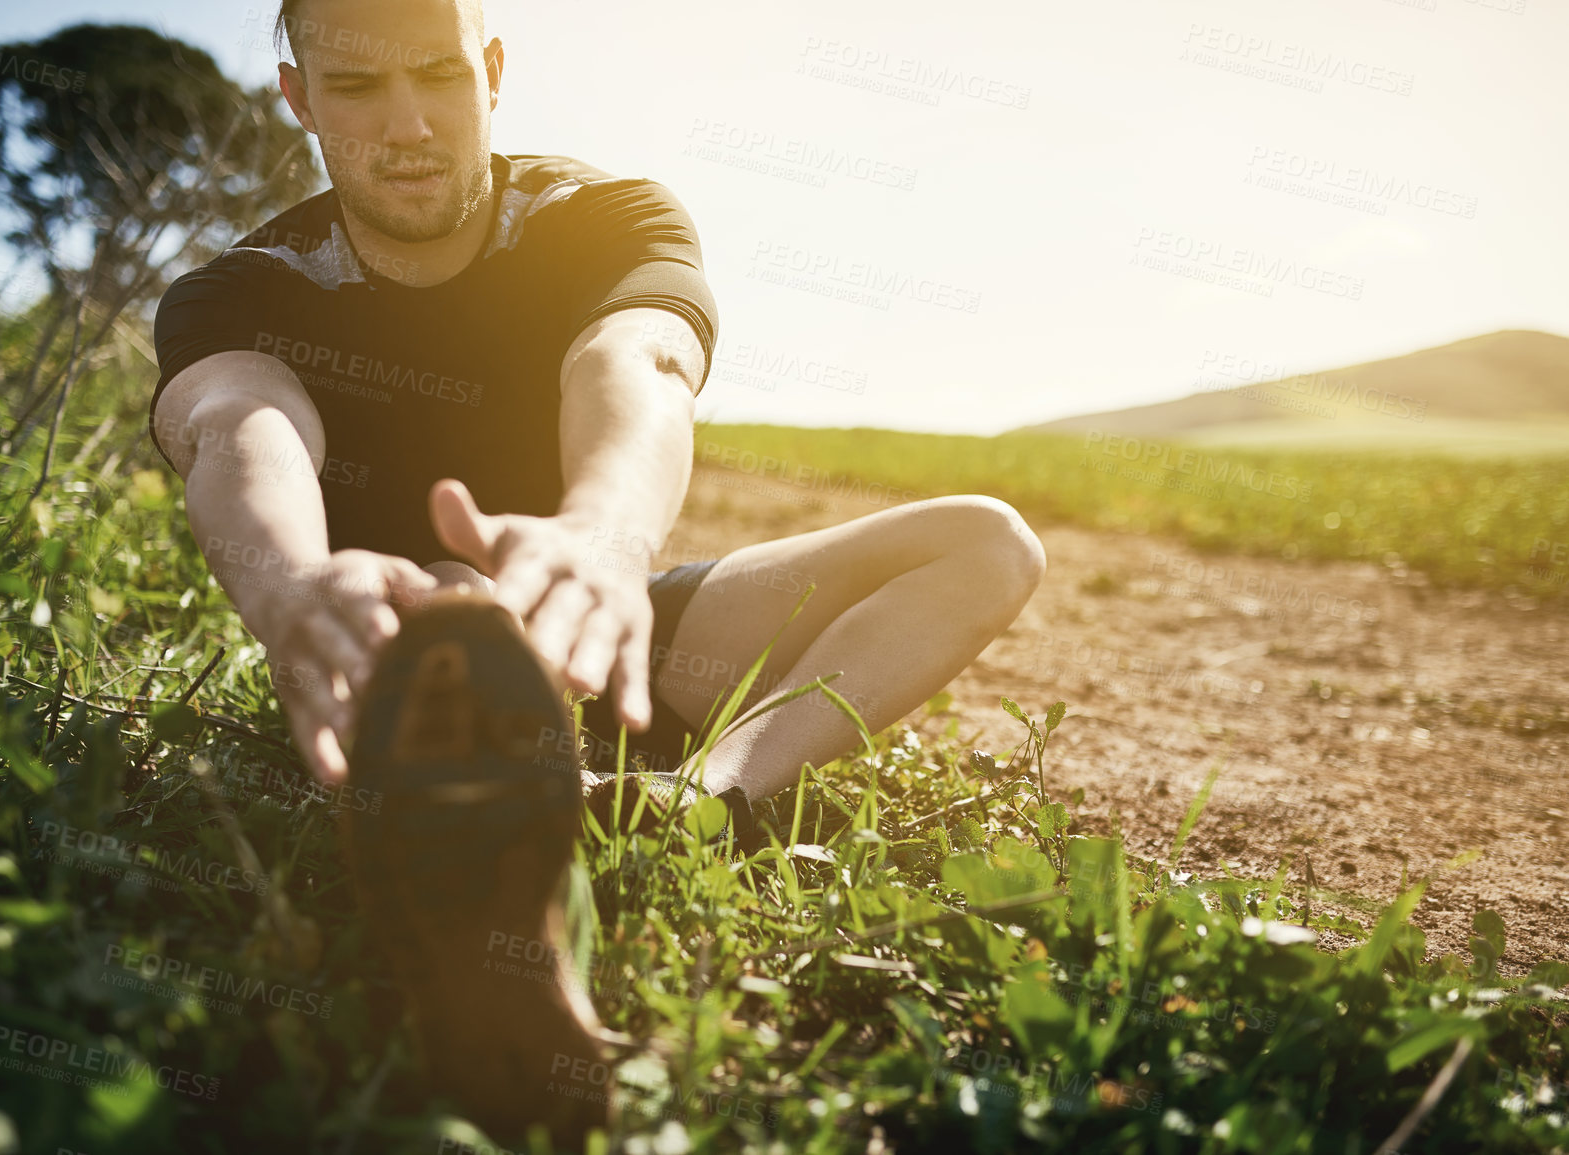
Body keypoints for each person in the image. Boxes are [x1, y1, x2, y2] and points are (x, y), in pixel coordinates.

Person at [146, 0, 1046, 1147]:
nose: (410, 123)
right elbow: (237, 423)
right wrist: (291, 589)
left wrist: (606, 537)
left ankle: (700, 799)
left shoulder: (605, 215)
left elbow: (638, 359)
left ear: (495, 72)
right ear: (301, 100)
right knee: (461, 611)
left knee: (984, 540)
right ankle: (479, 902)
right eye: (360, 90)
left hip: (601, 610)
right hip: (391, 638)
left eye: (440, 76)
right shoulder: (239, 288)